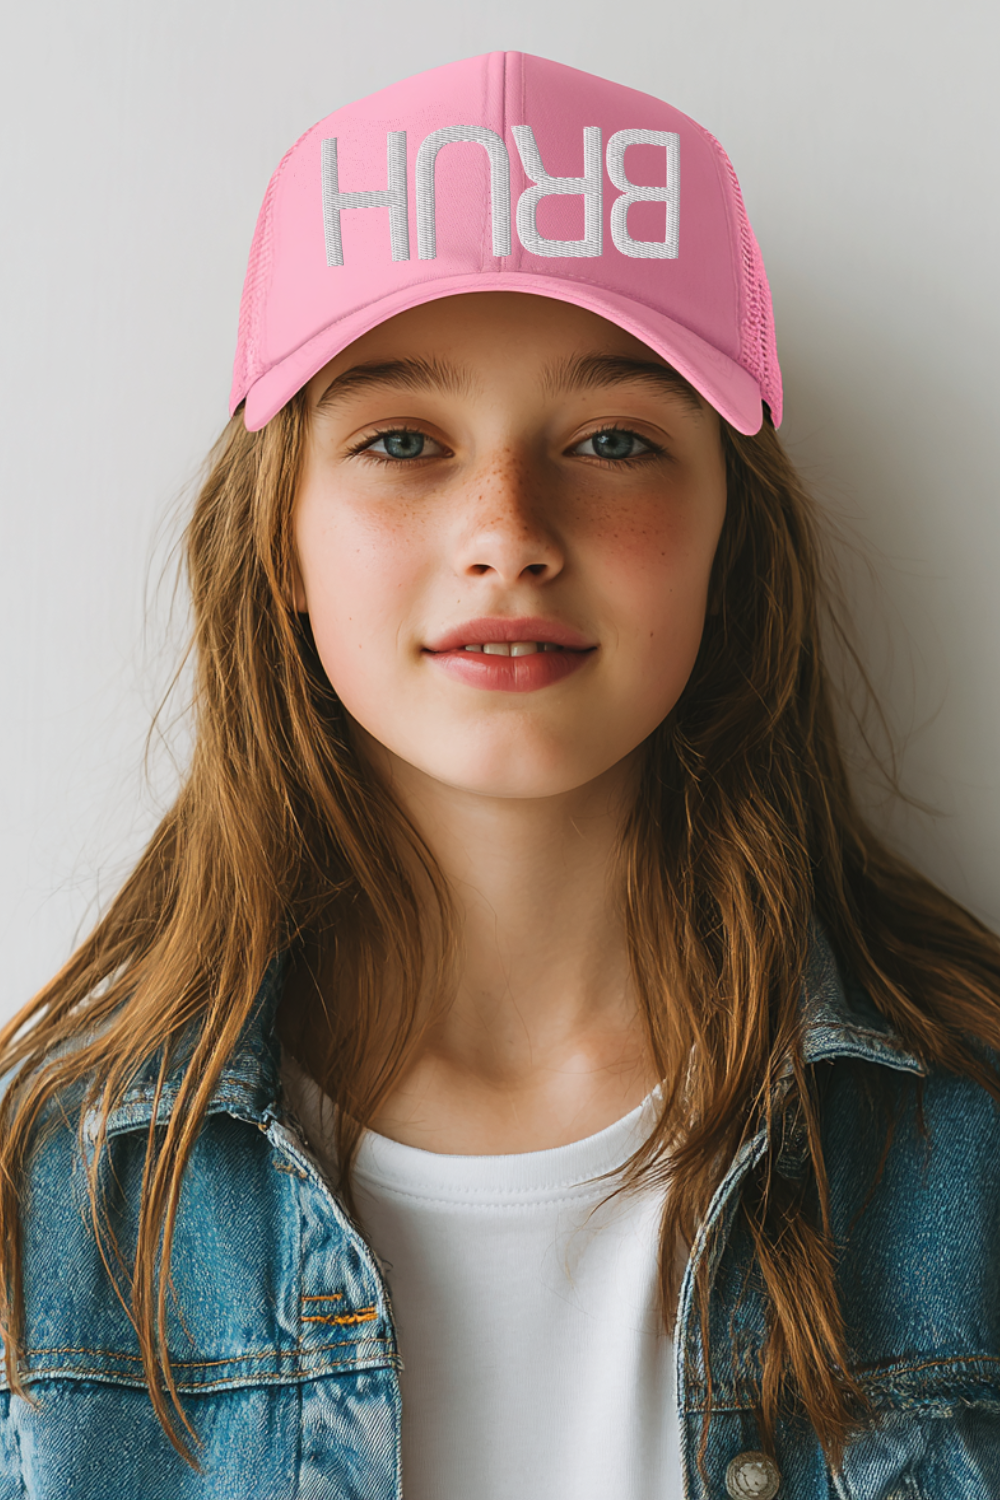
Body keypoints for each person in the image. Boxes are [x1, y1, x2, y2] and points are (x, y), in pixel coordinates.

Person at [0, 49, 998, 1500]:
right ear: (281, 537)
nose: (507, 530)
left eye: (613, 441)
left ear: (733, 537)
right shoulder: (52, 1206)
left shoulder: (967, 1143)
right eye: (402, 441)